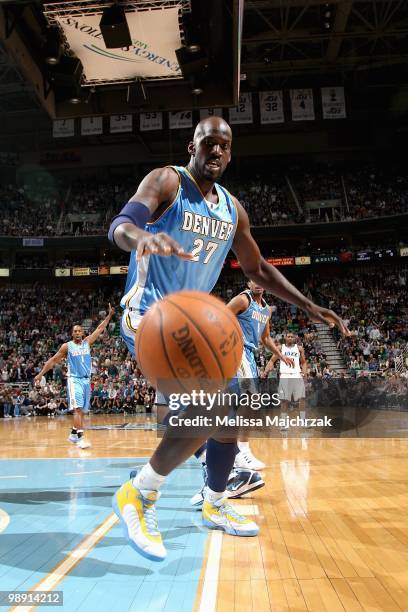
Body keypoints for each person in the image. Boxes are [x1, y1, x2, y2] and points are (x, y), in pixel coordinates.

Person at [108, 116, 349, 561]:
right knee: (206, 400)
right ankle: (139, 494)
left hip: (191, 324)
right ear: (192, 146)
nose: (215, 151)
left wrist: (309, 305)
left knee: (230, 406)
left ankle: (216, 502)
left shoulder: (233, 209)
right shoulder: (167, 181)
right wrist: (139, 235)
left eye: (224, 145)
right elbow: (121, 224)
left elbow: (256, 269)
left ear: (231, 153)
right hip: (147, 314)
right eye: (208, 143)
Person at [189, 279, 295, 509]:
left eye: (261, 280)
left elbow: (265, 339)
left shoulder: (265, 309)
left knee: (241, 404)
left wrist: (281, 354)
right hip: (235, 351)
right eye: (254, 280)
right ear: (249, 281)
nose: (258, 283)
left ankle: (237, 455)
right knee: (245, 401)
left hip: (250, 356)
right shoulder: (242, 299)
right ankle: (238, 456)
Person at [34, 305, 114, 449]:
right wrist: (40, 374)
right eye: (75, 331)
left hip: (86, 380)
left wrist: (108, 317)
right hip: (74, 379)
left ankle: (73, 434)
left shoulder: (87, 342)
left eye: (79, 331)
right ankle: (80, 439)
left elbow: (99, 329)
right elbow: (52, 361)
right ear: (72, 334)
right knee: (77, 409)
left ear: (83, 333)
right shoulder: (67, 347)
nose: (77, 332)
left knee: (82, 411)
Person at [262, 331, 307, 420]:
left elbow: (304, 362)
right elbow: (271, 361)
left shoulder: (299, 348)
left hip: (296, 374)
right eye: (288, 336)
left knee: (302, 398)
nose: (290, 338)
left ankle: (303, 419)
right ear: (285, 338)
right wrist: (265, 372)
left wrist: (304, 373)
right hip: (284, 375)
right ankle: (283, 421)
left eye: (292, 336)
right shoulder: (280, 348)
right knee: (284, 400)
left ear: (294, 338)